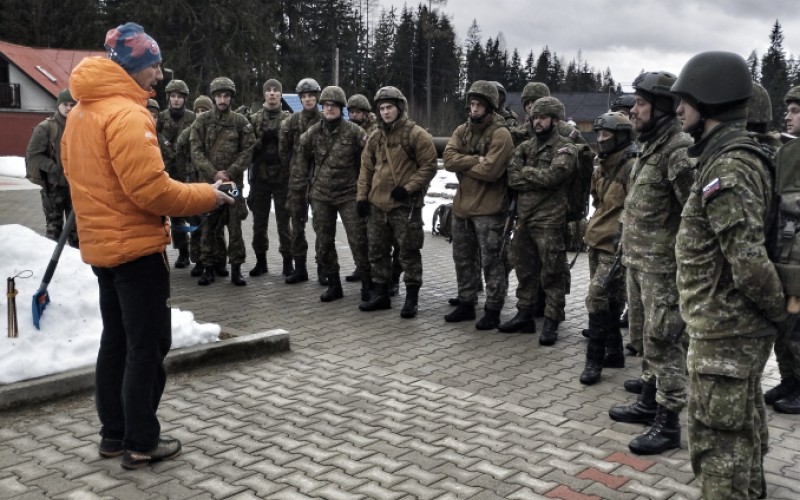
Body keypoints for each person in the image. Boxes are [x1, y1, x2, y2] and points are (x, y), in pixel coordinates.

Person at [61, 22, 233, 470]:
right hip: (135, 251)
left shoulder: (81, 112)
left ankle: (113, 435)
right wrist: (208, 196)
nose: (160, 75)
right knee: (147, 346)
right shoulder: (126, 114)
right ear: (135, 66)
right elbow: (151, 192)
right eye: (154, 65)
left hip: (102, 249)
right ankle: (141, 441)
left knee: (115, 341)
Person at [672, 51, 789, 500]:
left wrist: (778, 314)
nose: (679, 109)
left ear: (711, 100)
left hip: (727, 332)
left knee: (718, 443)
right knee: (741, 429)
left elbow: (748, 261)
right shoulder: (730, 157)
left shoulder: (729, 167)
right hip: (731, 329)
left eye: (686, 100)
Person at [608, 71, 695, 456]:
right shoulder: (651, 145)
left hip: (664, 267)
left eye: (640, 104)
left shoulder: (678, 149)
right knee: (646, 338)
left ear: (660, 107)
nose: (634, 111)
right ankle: (648, 398)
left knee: (666, 342)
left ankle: (668, 420)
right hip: (640, 262)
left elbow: (695, 213)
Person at [500, 96, 576, 345]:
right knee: (524, 269)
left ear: (555, 120)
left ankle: (552, 320)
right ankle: (525, 314)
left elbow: (556, 175)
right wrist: (534, 177)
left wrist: (527, 174)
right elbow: (512, 178)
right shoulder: (524, 148)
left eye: (542, 117)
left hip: (550, 221)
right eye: (534, 117)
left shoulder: (565, 147)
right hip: (525, 219)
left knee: (552, 273)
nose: (537, 122)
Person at [357, 86, 437, 317]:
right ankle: (381, 294)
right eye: (381, 108)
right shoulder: (375, 137)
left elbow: (429, 166)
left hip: (404, 206)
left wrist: (409, 188)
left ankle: (411, 298)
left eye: (389, 107)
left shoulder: (416, 134)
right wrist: (362, 197)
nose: (385, 112)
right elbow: (366, 168)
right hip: (377, 205)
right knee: (377, 251)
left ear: (399, 107)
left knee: (409, 252)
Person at [442, 80, 514, 329]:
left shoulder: (501, 134)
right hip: (463, 206)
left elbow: (492, 170)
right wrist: (475, 159)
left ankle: (493, 307)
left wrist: (469, 164)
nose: (474, 109)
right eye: (471, 104)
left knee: (491, 261)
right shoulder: (462, 130)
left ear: (490, 107)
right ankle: (466, 302)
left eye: (479, 105)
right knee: (462, 258)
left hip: (489, 209)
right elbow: (448, 159)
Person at [289, 86, 370, 302]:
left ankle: (368, 285)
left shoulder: (355, 132)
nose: (329, 109)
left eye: (334, 106)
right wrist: (300, 190)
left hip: (349, 195)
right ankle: (334, 284)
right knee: (324, 242)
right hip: (321, 196)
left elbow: (369, 162)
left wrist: (365, 192)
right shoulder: (313, 133)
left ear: (341, 108)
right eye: (326, 106)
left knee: (358, 241)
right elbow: (300, 160)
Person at [579, 112, 636, 385]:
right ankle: (614, 352)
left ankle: (594, 360)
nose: (601, 139)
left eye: (606, 135)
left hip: (616, 245)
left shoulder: (632, 167)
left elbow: (634, 206)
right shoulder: (601, 167)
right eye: (598, 134)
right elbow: (597, 199)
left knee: (597, 296)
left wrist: (622, 234)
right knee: (610, 300)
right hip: (597, 240)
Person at [190, 76, 255, 286]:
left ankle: (236, 268)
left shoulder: (240, 122)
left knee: (235, 226)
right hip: (209, 184)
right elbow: (196, 151)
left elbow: (248, 151)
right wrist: (214, 173)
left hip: (233, 184)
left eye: (226, 95)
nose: (222, 100)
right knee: (208, 226)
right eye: (219, 95)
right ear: (213, 97)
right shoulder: (202, 121)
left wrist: (231, 171)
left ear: (231, 98)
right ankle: (208, 267)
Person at [765, 84, 800, 414]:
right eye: (787, 110)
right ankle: (789, 379)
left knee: (798, 331)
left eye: (795, 111)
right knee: (783, 328)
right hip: (783, 249)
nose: (787, 117)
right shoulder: (784, 149)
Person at [279, 78, 323, 284]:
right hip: (296, 181)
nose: (307, 99)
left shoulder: (325, 120)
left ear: (317, 97)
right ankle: (300, 268)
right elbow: (283, 150)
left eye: (311, 96)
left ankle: (324, 268)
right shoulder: (291, 122)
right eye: (304, 96)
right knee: (296, 227)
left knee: (322, 227)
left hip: (320, 181)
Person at [248, 79, 291, 277]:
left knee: (284, 223)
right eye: (269, 91)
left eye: (276, 90)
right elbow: (247, 149)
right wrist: (260, 141)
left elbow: (295, 147)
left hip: (283, 178)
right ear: (264, 94)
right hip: (260, 179)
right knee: (259, 223)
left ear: (280, 95)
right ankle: (261, 261)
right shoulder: (254, 119)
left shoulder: (289, 119)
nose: (272, 94)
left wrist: (280, 139)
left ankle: (287, 263)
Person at [25, 87, 78, 247]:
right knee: (54, 231)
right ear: (58, 105)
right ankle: (50, 266)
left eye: (72, 104)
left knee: (77, 233)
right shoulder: (46, 127)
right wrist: (54, 168)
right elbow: (33, 154)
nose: (69, 108)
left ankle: (74, 266)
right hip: (53, 188)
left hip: (75, 187)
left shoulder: (80, 126)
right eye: (65, 104)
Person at [157, 79, 196, 269]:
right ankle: (170, 252)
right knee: (167, 215)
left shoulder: (193, 118)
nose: (176, 100)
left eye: (180, 97)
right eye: (173, 96)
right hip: (164, 171)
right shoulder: (160, 118)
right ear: (168, 98)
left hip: (186, 171)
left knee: (185, 213)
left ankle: (189, 252)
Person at [173, 96, 213, 277]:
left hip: (210, 182)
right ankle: (198, 260)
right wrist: (184, 175)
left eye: (204, 111)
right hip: (192, 182)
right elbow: (178, 153)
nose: (200, 114)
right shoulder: (187, 133)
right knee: (195, 223)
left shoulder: (213, 131)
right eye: (198, 111)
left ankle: (214, 260)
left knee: (212, 225)